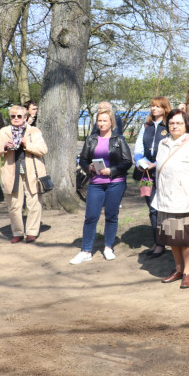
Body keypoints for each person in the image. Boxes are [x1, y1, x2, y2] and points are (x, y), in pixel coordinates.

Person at [150, 109, 189, 289]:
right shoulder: (163, 143)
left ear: (186, 125)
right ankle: (178, 269)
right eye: (172, 123)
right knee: (171, 238)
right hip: (165, 198)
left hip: (185, 199)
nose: (175, 126)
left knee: (185, 239)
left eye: (179, 123)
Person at [71, 107, 132, 263]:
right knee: (91, 217)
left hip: (115, 183)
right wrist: (89, 167)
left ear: (111, 122)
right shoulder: (91, 139)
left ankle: (108, 247)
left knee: (111, 216)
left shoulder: (119, 140)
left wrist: (111, 171)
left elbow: (127, 162)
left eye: (105, 120)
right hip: (95, 183)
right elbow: (83, 159)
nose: (102, 123)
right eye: (99, 121)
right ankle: (86, 251)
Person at [0, 105, 46, 243]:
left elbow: (43, 149)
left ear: (25, 117)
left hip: (32, 171)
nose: (15, 118)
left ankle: (32, 231)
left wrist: (27, 144)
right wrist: (4, 147)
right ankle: (17, 232)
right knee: (14, 204)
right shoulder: (4, 131)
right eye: (12, 116)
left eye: (19, 116)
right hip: (12, 171)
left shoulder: (34, 131)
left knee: (33, 202)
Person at [133, 97, 171, 257]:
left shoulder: (169, 125)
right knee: (152, 208)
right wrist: (140, 161)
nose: (154, 109)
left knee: (163, 208)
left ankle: (166, 241)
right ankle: (158, 242)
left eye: (157, 106)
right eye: (152, 106)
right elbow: (138, 147)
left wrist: (155, 163)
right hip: (146, 173)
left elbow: (170, 149)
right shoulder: (146, 125)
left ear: (164, 108)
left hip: (163, 172)